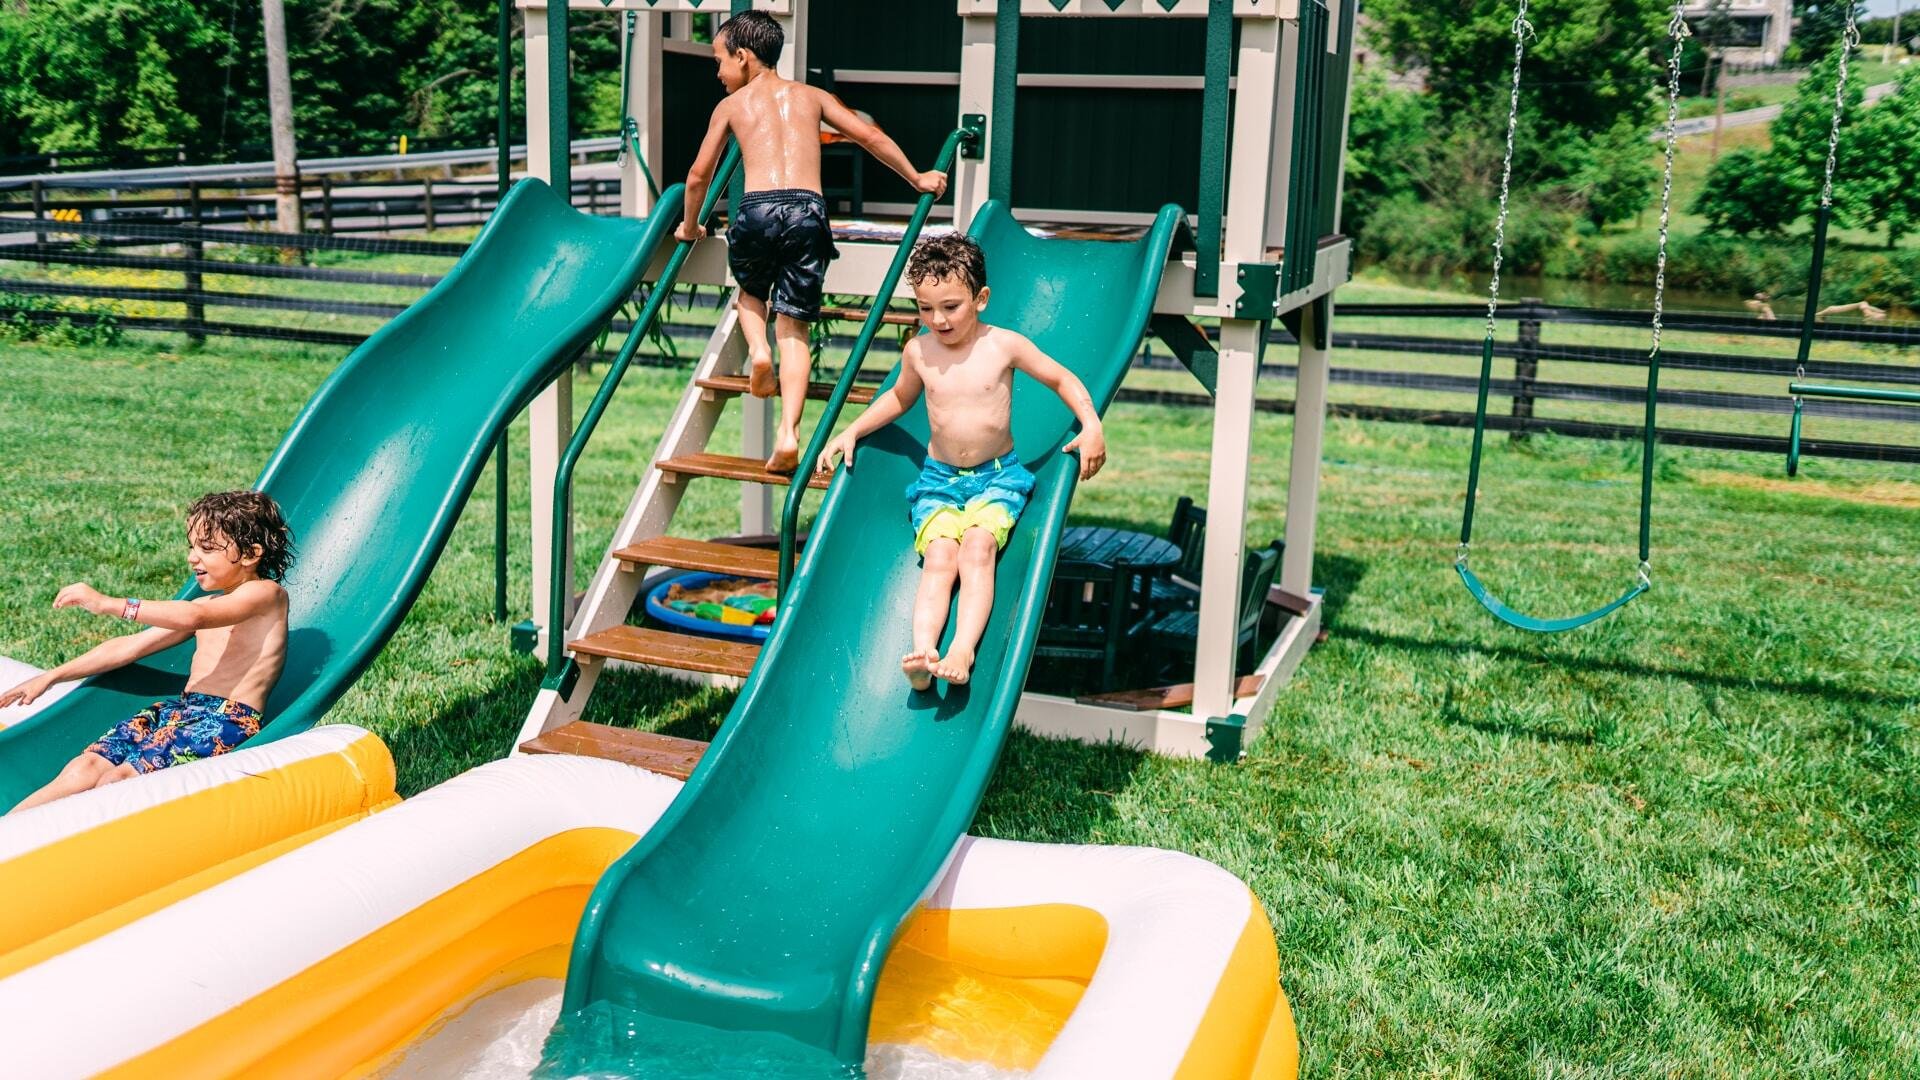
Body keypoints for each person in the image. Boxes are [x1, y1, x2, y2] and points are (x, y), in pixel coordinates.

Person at [817, 235, 1107, 690]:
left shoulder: (1003, 346)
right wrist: (853, 430)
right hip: (938, 480)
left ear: (980, 299)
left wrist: (1090, 424)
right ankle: (923, 651)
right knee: (939, 557)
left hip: (997, 479)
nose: (938, 319)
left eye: (950, 306)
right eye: (925, 308)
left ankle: (962, 648)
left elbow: (1061, 378)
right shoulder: (919, 351)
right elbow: (898, 396)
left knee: (977, 550)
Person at [677, 10, 948, 473]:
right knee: (795, 327)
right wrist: (916, 177)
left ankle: (758, 353)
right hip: (807, 210)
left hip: (758, 206)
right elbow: (868, 135)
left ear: (743, 57)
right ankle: (788, 434)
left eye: (719, 60)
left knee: (749, 293)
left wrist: (689, 226)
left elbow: (699, 175)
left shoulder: (731, 107)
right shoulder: (811, 96)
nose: (718, 72)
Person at [2, 490, 293, 813]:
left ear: (251, 554)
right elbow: (129, 647)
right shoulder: (205, 605)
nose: (192, 557)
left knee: (118, 782)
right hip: (179, 711)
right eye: (192, 546)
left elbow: (194, 617)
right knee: (83, 769)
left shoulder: (267, 596)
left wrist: (109, 604)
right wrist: (50, 677)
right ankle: (9, 830)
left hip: (225, 720)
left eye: (207, 548)